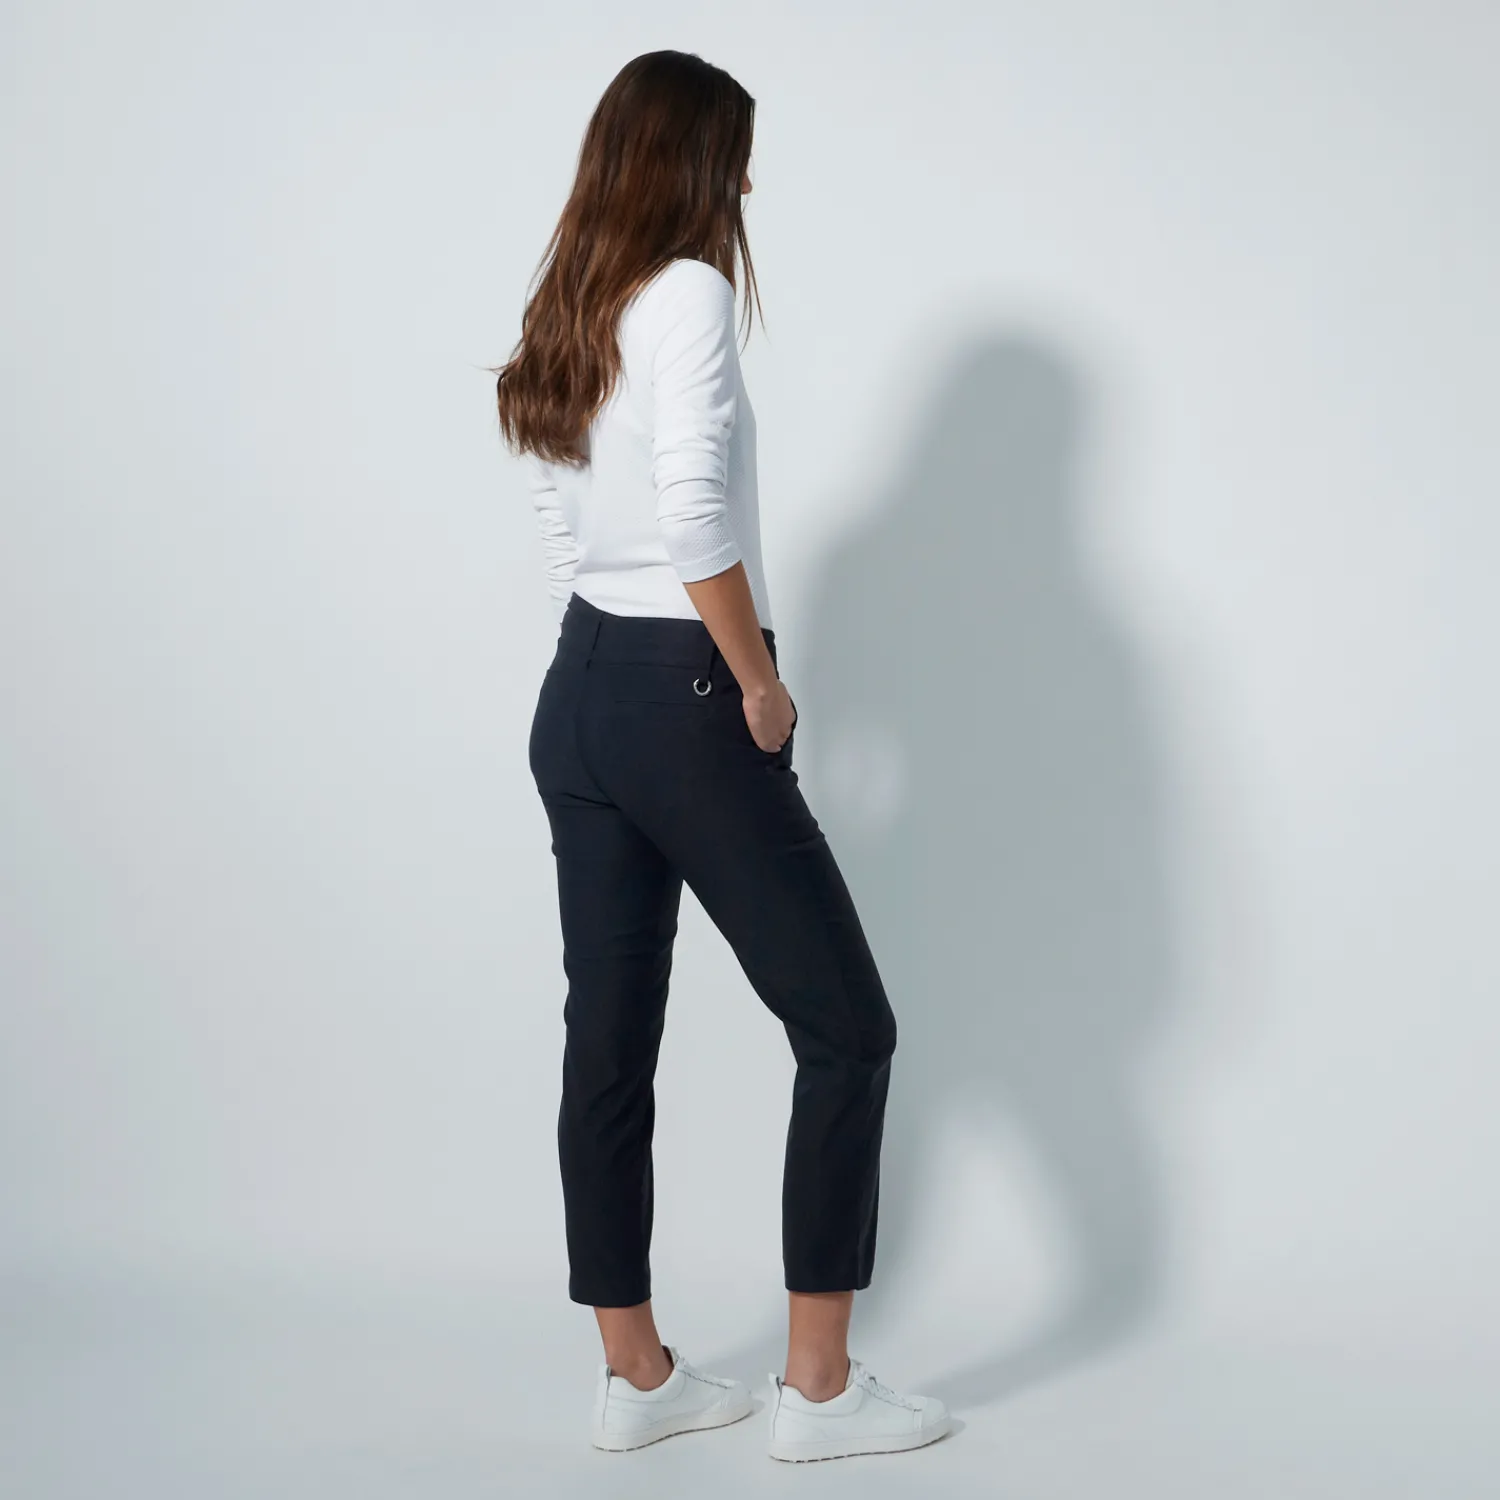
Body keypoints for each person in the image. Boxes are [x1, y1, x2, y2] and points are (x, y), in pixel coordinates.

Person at [493, 49, 951, 1463]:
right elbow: (693, 514)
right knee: (850, 1029)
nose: (747, 184)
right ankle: (819, 1391)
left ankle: (636, 1378)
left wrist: (619, 657)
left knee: (608, 1041)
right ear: (695, 161)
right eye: (736, 156)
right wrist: (756, 682)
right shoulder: (686, 291)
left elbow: (563, 512)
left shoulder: (577, 295)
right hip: (684, 693)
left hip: (579, 691)